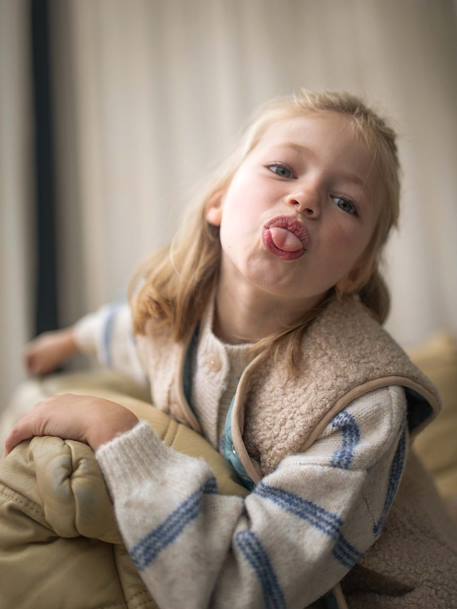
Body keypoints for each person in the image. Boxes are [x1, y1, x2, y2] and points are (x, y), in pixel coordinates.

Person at [4, 90, 453, 609]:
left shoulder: (361, 403)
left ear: (355, 270)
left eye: (345, 202)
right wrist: (66, 342)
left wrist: (118, 436)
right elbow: (126, 332)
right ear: (219, 202)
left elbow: (247, 583)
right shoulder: (175, 315)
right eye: (284, 169)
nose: (305, 198)